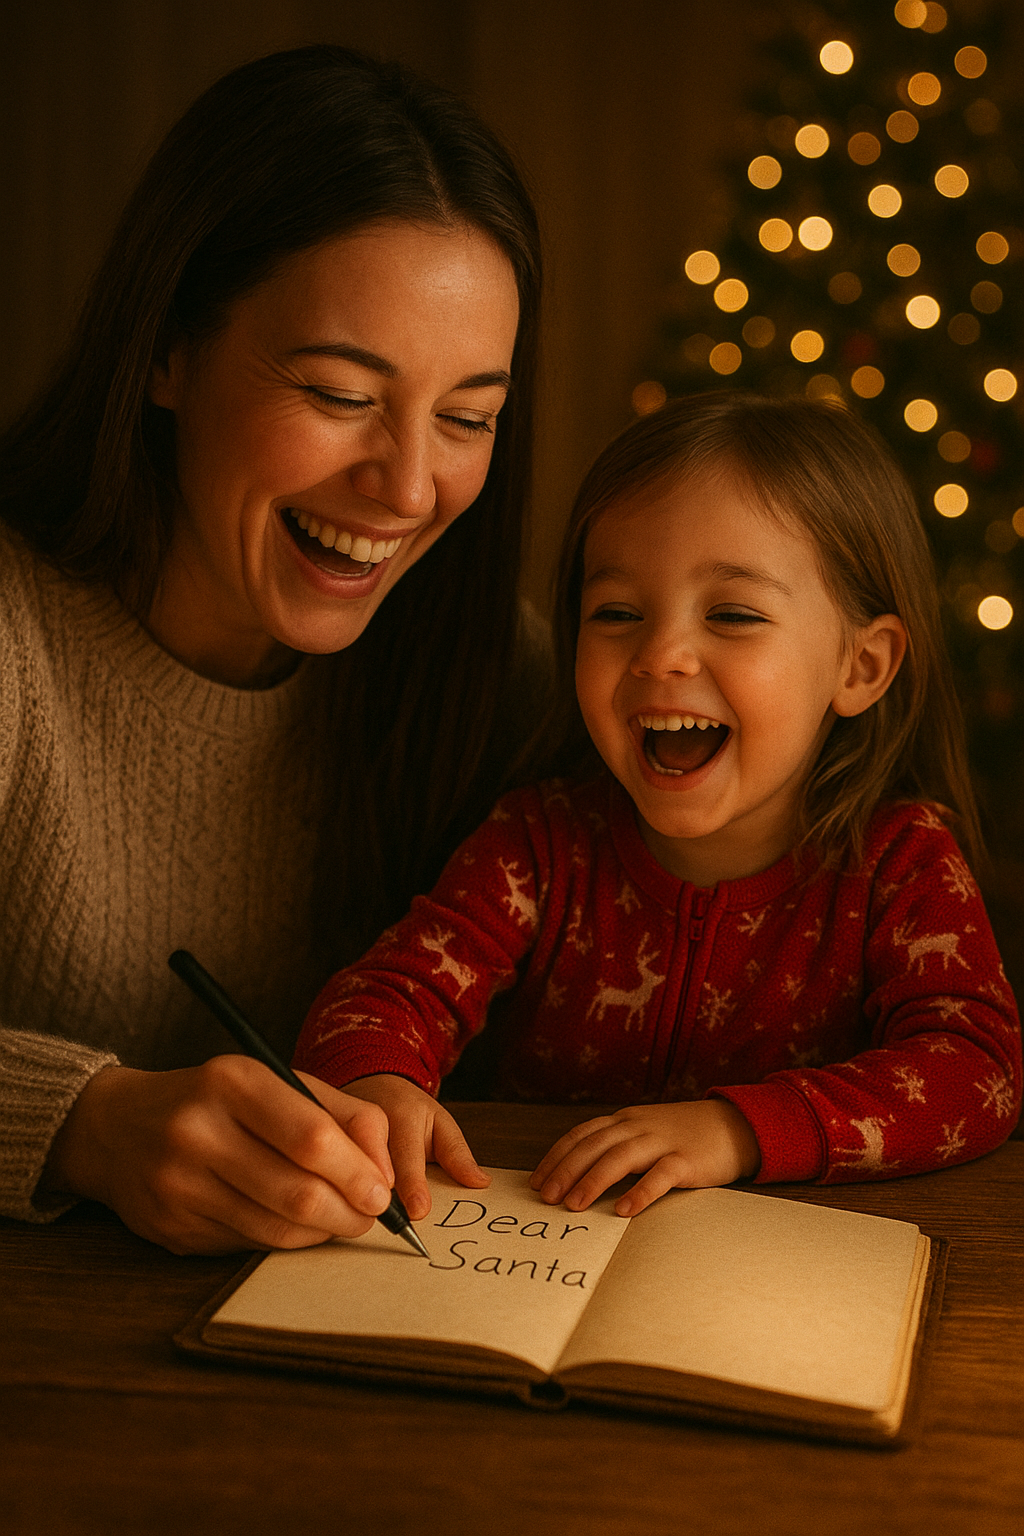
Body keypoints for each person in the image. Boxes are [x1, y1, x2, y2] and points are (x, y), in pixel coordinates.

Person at [0, 46, 546, 1254]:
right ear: (166, 351)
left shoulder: (498, 676)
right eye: (342, 394)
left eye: (467, 419)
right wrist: (84, 1122)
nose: (406, 486)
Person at [293, 392, 1022, 1222]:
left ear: (861, 666)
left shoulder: (900, 862)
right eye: (617, 613)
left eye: (734, 615)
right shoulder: (535, 846)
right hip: (527, 1257)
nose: (660, 654)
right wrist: (374, 1080)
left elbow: (976, 1070)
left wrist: (736, 1131)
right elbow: (382, 997)